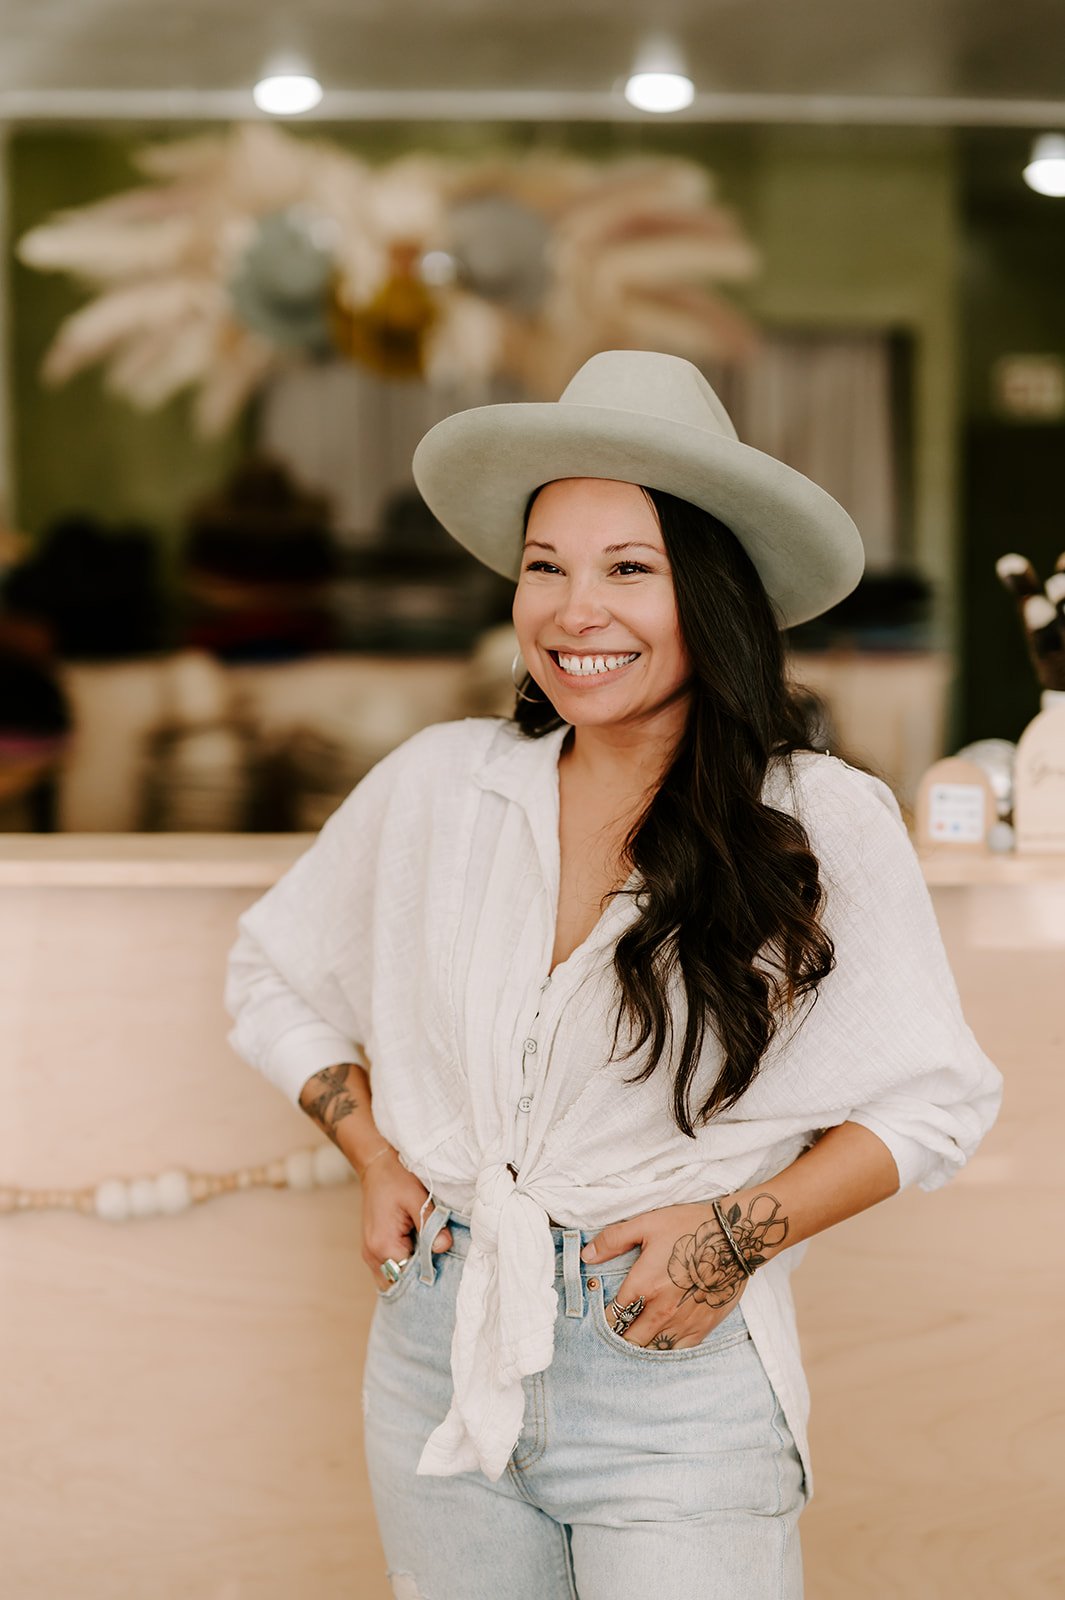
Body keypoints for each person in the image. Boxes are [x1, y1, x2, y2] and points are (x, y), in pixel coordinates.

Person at [224, 350, 1003, 1600]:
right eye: (547, 566)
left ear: (712, 594)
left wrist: (735, 1236)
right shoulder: (440, 785)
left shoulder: (815, 819)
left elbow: (935, 1100)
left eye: (629, 569)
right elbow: (272, 972)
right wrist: (373, 1152)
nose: (575, 611)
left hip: (670, 1372)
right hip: (437, 1349)